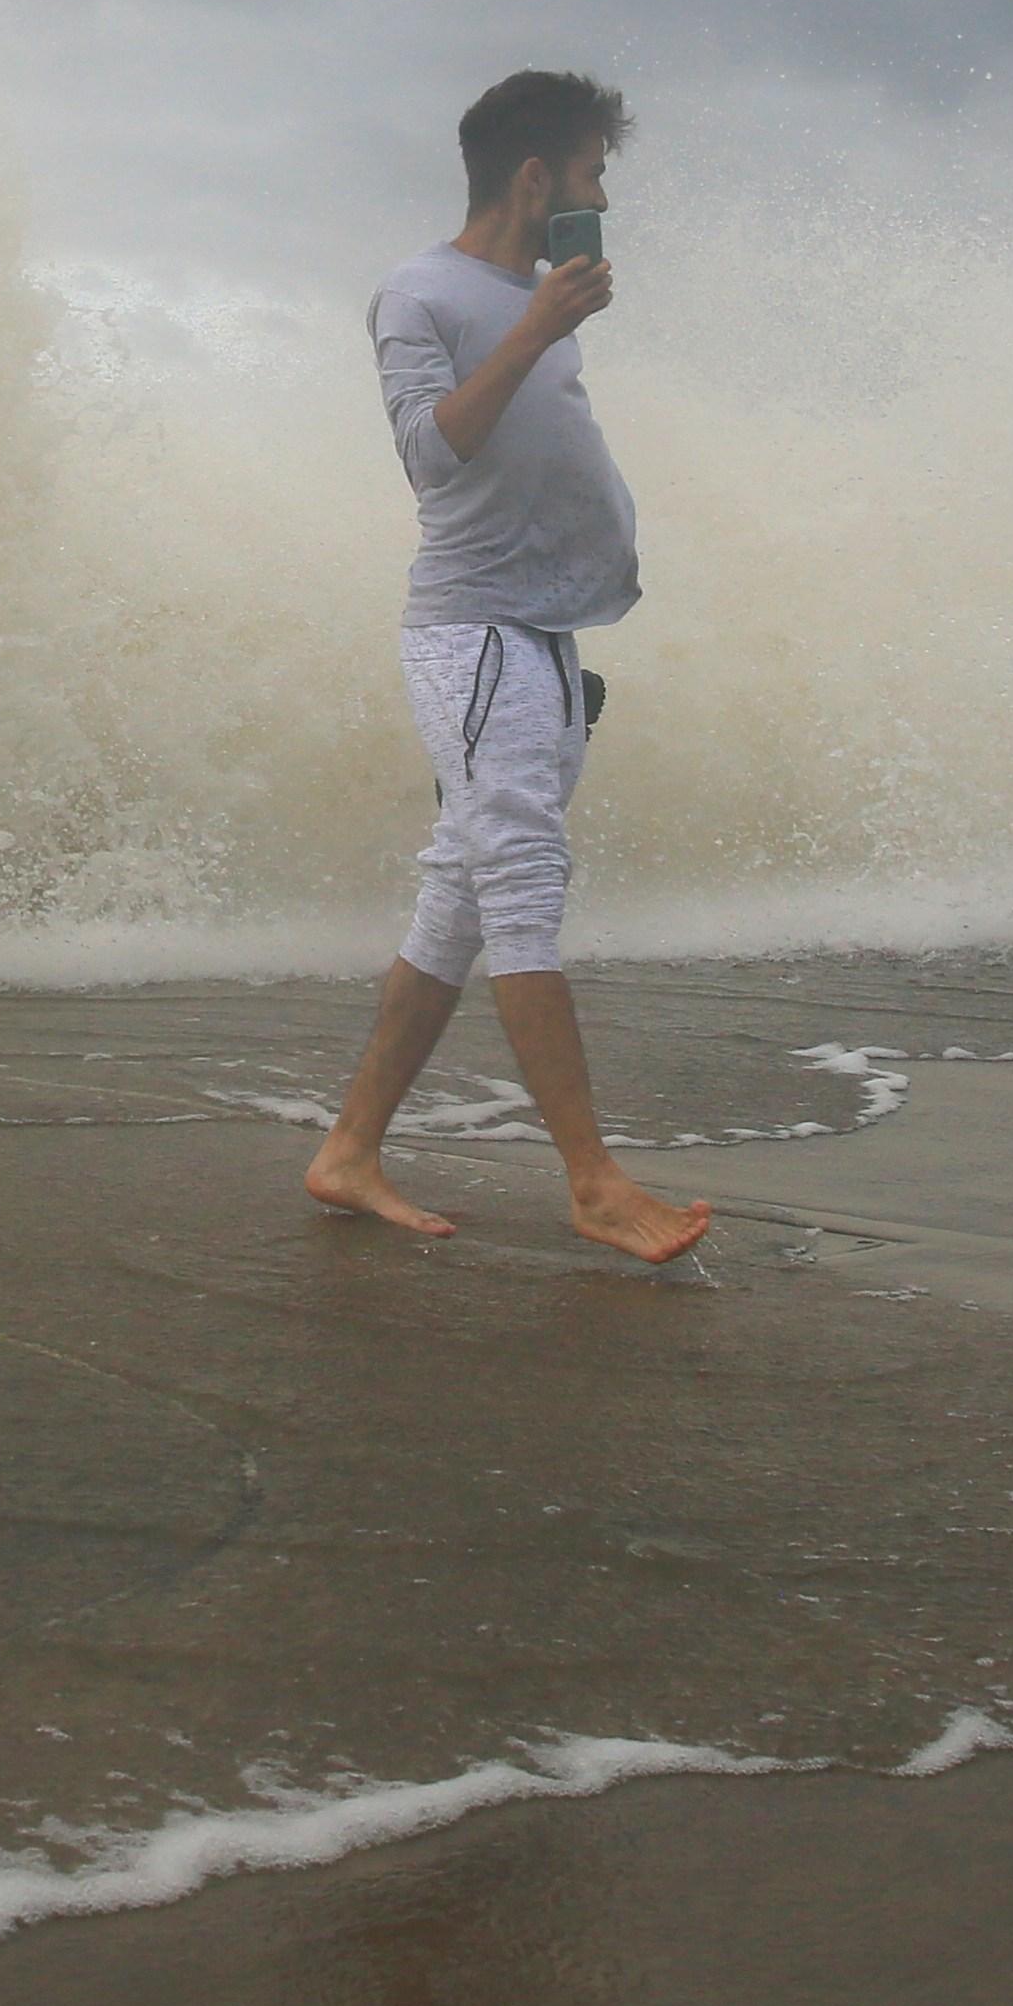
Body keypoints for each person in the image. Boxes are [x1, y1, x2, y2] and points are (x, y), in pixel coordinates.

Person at [302, 69, 717, 1266]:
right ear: (536, 176)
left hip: (543, 634)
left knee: (462, 898)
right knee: (523, 874)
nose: (599, 198)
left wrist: (544, 319)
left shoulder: (531, 295)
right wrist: (540, 328)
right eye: (591, 174)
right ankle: (591, 1179)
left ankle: (348, 1153)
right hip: (474, 634)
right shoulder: (419, 293)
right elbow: (433, 457)